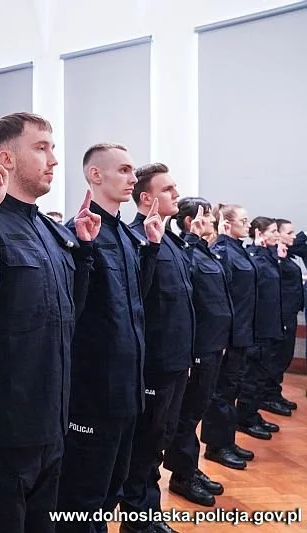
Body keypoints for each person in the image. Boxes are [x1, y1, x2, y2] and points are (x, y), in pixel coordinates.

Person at [0, 112, 99, 533]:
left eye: (53, 148)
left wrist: (83, 252)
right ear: (6, 159)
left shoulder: (50, 231)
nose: (54, 160)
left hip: (51, 424)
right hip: (2, 433)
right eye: (42, 147)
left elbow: (69, 314)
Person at [56, 143, 163, 533]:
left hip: (127, 388)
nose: (133, 178)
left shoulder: (126, 235)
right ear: (95, 176)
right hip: (92, 392)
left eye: (133, 171)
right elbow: (73, 310)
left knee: (110, 492)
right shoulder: (78, 233)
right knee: (82, 497)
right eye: (124, 170)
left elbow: (138, 300)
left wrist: (151, 249)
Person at [121, 163, 196, 533]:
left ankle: (149, 511)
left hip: (175, 362)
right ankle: (138, 517)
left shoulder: (171, 242)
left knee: (159, 440)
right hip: (152, 364)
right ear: (146, 198)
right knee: (144, 445)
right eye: (168, 189)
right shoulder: (137, 241)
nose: (176, 194)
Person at [163, 198, 233, 508]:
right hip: (198, 349)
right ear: (192, 221)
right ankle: (182, 475)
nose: (213, 223)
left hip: (213, 345)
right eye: (207, 218)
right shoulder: (187, 252)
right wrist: (192, 237)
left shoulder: (206, 252)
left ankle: (190, 467)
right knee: (187, 414)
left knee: (196, 412)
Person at [200, 204, 258, 470]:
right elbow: (222, 299)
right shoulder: (222, 252)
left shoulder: (238, 250)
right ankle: (216, 445)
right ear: (228, 223)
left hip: (242, 333)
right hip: (230, 335)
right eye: (243, 221)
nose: (247, 225)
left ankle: (227, 440)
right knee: (221, 394)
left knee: (232, 390)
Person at [235, 217, 286, 437]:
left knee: (260, 377)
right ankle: (245, 419)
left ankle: (253, 414)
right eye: (273, 231)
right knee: (251, 378)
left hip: (269, 328)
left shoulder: (268, 257)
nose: (277, 234)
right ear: (260, 233)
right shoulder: (254, 257)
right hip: (256, 329)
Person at [260, 219, 304, 412]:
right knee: (277, 357)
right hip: (281, 315)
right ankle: (267, 397)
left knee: (284, 356)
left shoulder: (285, 256)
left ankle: (274, 392)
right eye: (289, 232)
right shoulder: (272, 258)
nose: (294, 236)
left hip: (290, 313)